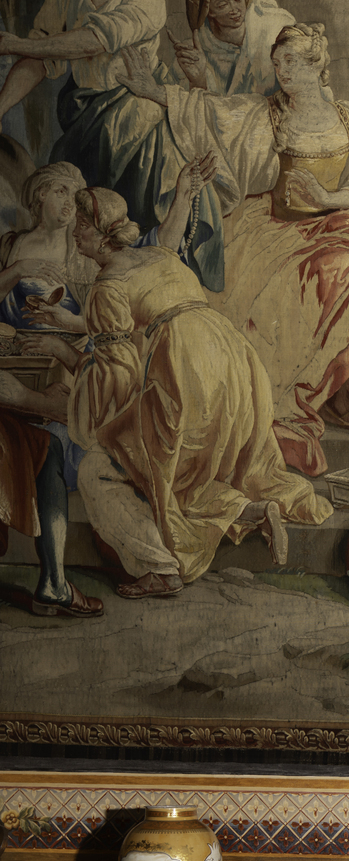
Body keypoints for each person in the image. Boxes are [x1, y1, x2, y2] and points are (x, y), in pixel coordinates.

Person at [121, 23, 349, 473]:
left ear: (317, 65)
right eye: (277, 63)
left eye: (292, 62)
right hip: (278, 228)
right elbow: (212, 112)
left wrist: (331, 197)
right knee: (338, 270)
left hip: (341, 219)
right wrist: (155, 91)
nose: (282, 71)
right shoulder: (268, 114)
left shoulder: (347, 118)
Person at [21, 185, 332, 597]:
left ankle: (160, 568)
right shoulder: (157, 256)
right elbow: (141, 315)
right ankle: (253, 509)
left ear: (103, 235)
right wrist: (72, 322)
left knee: (103, 468)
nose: (75, 234)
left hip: (185, 373)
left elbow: (115, 378)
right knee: (186, 472)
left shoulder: (106, 286)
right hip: (233, 363)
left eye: (82, 226)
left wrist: (60, 350)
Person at [0, 157, 216, 613]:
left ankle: (70, 575)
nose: (69, 204)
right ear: (39, 195)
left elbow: (155, 249)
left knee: (63, 447)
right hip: (16, 362)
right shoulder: (12, 246)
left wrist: (183, 196)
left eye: (75, 195)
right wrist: (17, 272)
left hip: (75, 374)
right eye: (61, 190)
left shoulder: (85, 251)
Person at [0, 0, 172, 232]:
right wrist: (1, 106)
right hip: (83, 110)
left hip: (136, 113)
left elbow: (96, 40)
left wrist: (15, 44)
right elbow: (39, 58)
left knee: (126, 203)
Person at [167, 0, 295, 97]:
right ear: (207, 10)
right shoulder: (193, 54)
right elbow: (185, 106)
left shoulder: (272, 34)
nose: (234, 9)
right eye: (222, 3)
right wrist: (198, 81)